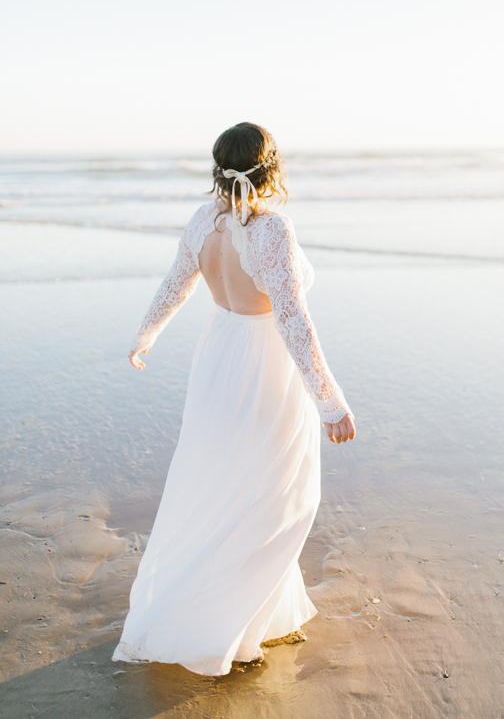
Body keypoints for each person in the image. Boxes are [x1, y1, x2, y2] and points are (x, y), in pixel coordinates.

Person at [112, 122, 356, 676]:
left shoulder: (204, 222)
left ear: (217, 168)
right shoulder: (270, 229)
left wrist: (144, 334)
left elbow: (177, 284)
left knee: (222, 482)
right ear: (272, 170)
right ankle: (233, 625)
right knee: (277, 492)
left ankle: (250, 611)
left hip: (218, 357)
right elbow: (293, 321)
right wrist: (330, 402)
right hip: (265, 365)